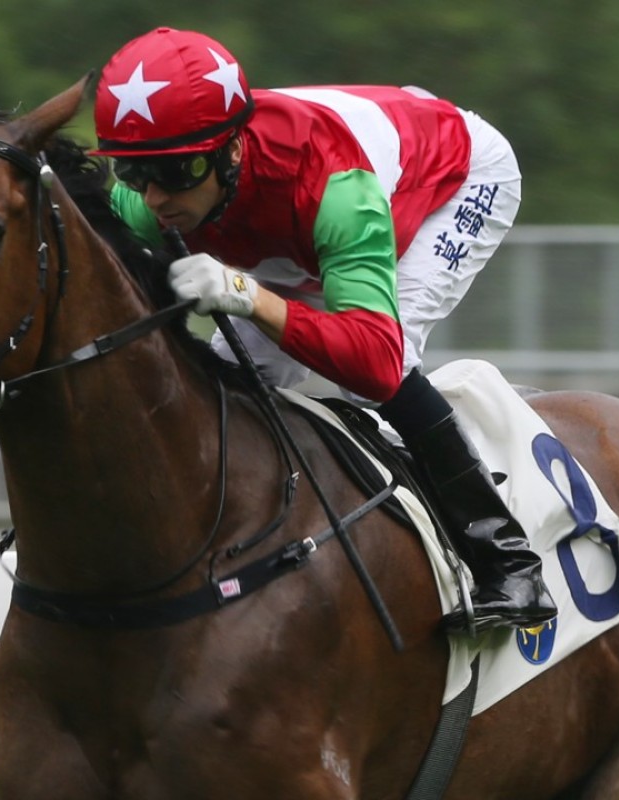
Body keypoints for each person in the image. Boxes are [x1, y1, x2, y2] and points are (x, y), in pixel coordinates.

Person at [92, 27, 555, 633]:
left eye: (177, 172)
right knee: (235, 384)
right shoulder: (154, 194)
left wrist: (245, 295)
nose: (153, 199)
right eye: (133, 173)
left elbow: (374, 360)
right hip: (298, 226)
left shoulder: (335, 187)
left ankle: (508, 562)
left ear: (230, 151)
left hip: (453, 176)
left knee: (377, 378)